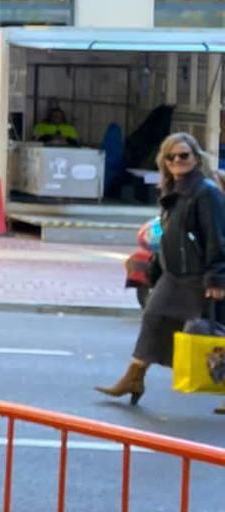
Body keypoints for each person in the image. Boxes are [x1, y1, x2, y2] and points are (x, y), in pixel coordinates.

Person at [96, 133, 225, 411]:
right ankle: (134, 378)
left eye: (184, 155)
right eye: (171, 157)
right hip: (173, 274)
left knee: (216, 333)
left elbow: (216, 237)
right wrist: (154, 267)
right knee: (154, 319)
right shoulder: (172, 189)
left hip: (197, 276)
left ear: (195, 158)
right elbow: (169, 235)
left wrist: (216, 276)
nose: (178, 161)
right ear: (164, 161)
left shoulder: (206, 192)